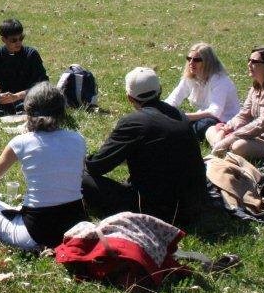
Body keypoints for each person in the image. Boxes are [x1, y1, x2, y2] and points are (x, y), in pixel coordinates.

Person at [0, 83, 87, 250]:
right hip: (76, 225)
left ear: (29, 111)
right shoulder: (78, 139)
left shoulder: (21, 142)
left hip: (35, 233)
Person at [82, 67, 207, 226]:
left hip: (157, 211)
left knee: (83, 179)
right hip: (194, 205)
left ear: (129, 97)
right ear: (160, 90)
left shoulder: (134, 122)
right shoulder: (179, 115)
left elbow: (97, 166)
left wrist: (84, 160)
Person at [163, 42, 240, 143]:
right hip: (202, 116)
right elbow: (173, 99)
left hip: (223, 121)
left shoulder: (220, 80)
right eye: (189, 58)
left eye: (197, 60)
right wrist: (162, 111)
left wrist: (184, 117)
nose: (191, 62)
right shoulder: (189, 78)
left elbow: (214, 112)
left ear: (208, 62)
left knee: (203, 124)